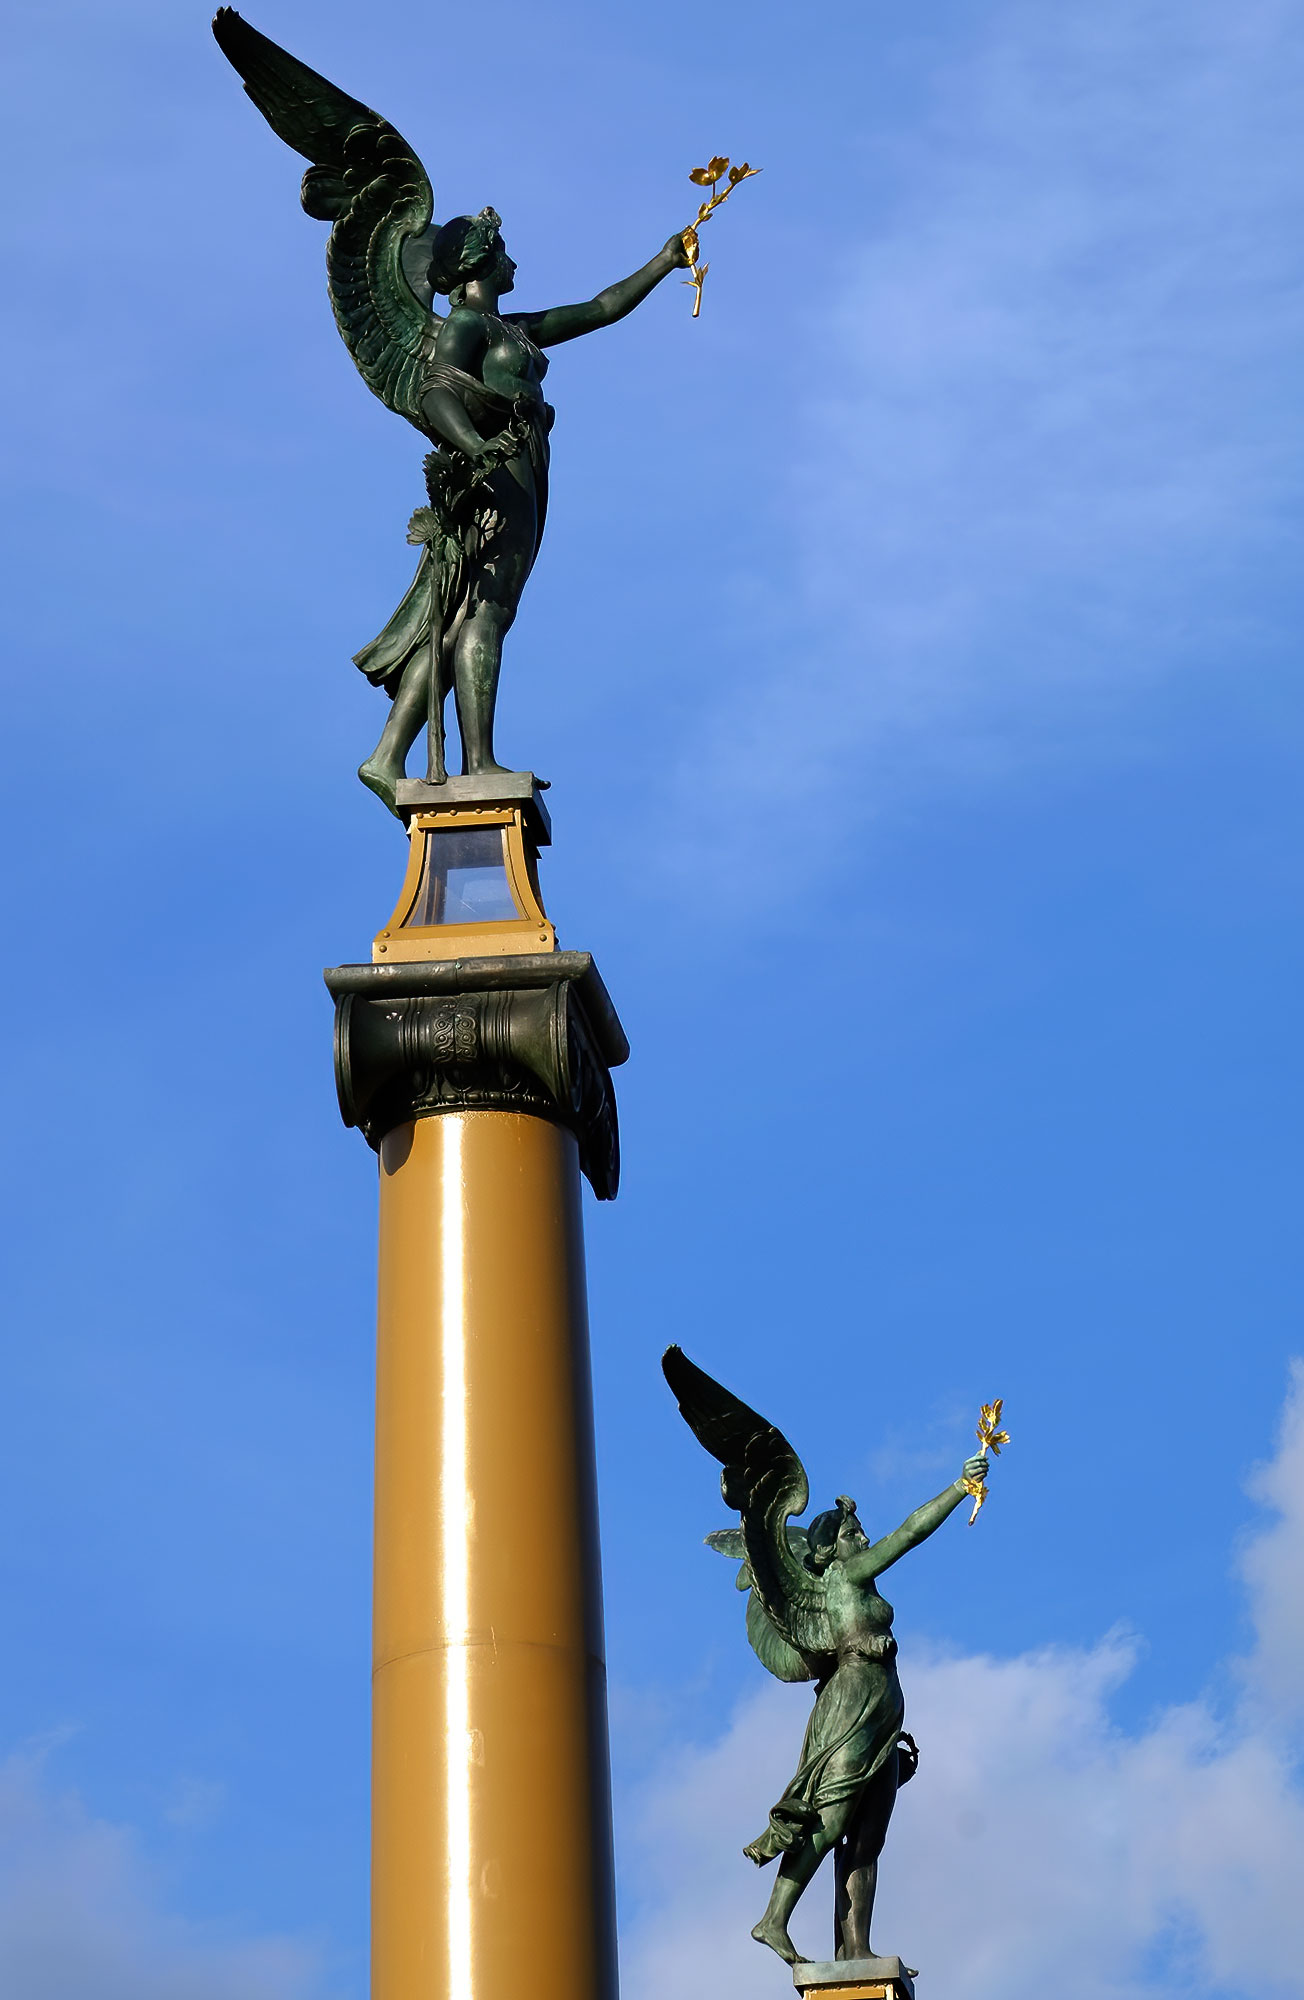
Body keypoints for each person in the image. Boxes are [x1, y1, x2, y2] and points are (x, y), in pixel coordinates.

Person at [355, 208, 690, 809]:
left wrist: (665, 262)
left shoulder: (512, 328)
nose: (514, 263)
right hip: (496, 466)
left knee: (463, 616)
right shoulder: (464, 324)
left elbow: (602, 307)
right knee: (486, 610)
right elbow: (437, 391)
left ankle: (386, 757)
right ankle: (475, 760)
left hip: (522, 464)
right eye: (504, 253)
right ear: (478, 261)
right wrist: (477, 447)